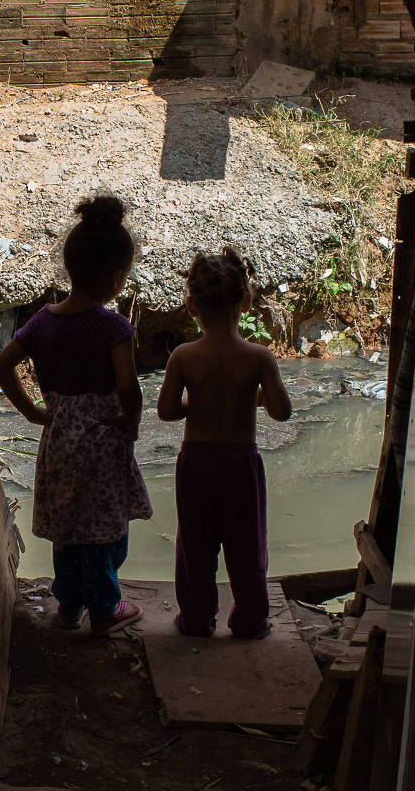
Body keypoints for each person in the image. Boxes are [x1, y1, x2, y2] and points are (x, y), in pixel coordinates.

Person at [0, 196, 152, 633]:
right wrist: (132, 424)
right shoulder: (114, 329)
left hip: (59, 438)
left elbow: (2, 366)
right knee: (105, 528)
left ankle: (68, 607)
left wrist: (32, 411)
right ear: (117, 276)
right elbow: (128, 388)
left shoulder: (44, 322)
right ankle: (105, 609)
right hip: (103, 442)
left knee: (69, 526)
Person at [156, 248, 291, 639]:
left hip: (196, 461)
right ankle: (250, 620)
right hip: (240, 462)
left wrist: (197, 400)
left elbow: (166, 411)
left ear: (191, 306)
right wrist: (256, 396)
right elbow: (282, 412)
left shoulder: (183, 356)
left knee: (195, 545)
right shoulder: (258, 356)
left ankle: (197, 619)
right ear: (246, 301)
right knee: (247, 543)